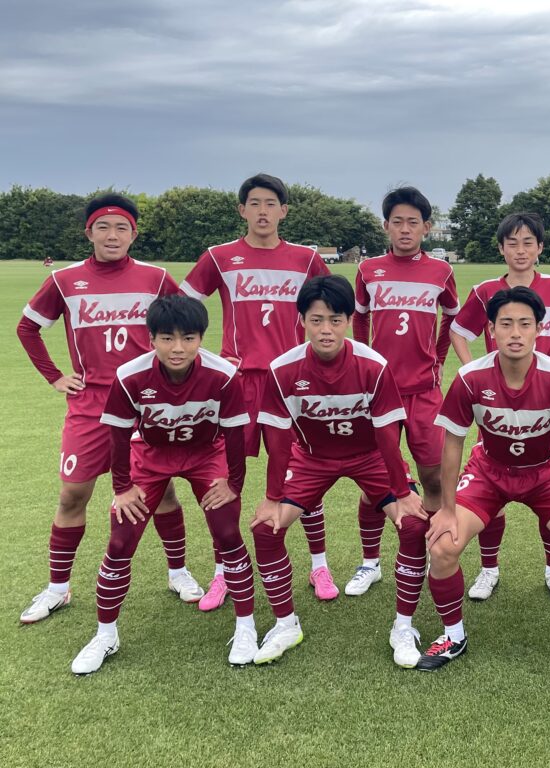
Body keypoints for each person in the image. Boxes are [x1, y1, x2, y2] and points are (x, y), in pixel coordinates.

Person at [417, 286, 550, 675]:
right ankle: (453, 635)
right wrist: (446, 509)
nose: (515, 333)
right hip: (488, 472)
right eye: (506, 324)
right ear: (491, 330)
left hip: (544, 473)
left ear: (539, 329)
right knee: (443, 546)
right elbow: (453, 444)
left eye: (525, 324)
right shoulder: (470, 377)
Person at [17, 194, 198, 625]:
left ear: (133, 234)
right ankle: (57, 588)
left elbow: (184, 325)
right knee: (72, 493)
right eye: (103, 227)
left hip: (145, 403)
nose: (112, 235)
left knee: (162, 491)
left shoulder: (155, 277)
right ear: (89, 233)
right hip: (90, 405)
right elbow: (27, 328)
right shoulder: (65, 280)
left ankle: (178, 572)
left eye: (121, 228)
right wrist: (55, 376)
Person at [71, 295, 259, 674]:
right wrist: (122, 487)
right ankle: (105, 635)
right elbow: (118, 436)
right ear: (151, 338)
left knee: (227, 532)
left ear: (201, 338)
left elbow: (236, 434)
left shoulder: (223, 374)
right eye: (167, 338)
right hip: (151, 455)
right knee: (120, 541)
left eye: (188, 338)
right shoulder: (130, 376)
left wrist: (234, 483)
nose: (178, 348)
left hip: (206, 454)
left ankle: (246, 627)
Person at [249, 275, 428, 667]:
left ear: (348, 320)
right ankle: (285, 624)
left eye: (335, 319)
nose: (325, 329)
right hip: (312, 458)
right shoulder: (282, 369)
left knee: (414, 524)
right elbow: (277, 441)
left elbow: (388, 435)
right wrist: (272, 497)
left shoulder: (373, 365)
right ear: (301, 321)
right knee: (266, 528)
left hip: (369, 456)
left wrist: (401, 492)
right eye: (316, 320)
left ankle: (404, 626)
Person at [182, 173, 337, 608]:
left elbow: (331, 305)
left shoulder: (306, 258)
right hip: (237, 383)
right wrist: (205, 357)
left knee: (304, 473)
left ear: (284, 210)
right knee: (223, 477)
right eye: (254, 203)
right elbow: (182, 307)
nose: (263, 211)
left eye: (271, 203)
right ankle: (224, 571)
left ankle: (319, 565)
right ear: (242, 210)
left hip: (293, 382)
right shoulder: (219, 257)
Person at [450, 212, 550, 603]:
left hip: (547, 400)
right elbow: (458, 331)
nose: (520, 250)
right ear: (501, 248)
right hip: (497, 398)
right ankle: (489, 568)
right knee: (491, 481)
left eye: (528, 242)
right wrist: (472, 369)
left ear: (540, 247)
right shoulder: (485, 290)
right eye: (512, 243)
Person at [351, 187, 459, 597]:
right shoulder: (368, 270)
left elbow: (451, 319)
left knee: (433, 476)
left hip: (425, 392)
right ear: (386, 226)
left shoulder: (441, 271)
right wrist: (363, 361)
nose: (405, 229)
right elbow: (359, 321)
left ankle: (431, 551)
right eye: (397, 221)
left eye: (413, 222)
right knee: (374, 481)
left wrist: (439, 359)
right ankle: (370, 562)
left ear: (426, 227)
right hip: (379, 393)